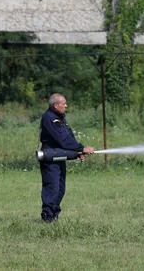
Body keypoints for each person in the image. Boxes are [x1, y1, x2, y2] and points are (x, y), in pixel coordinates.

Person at [39, 93, 94, 223]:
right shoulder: (50, 118)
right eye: (64, 104)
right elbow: (62, 139)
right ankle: (48, 217)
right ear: (56, 105)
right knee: (52, 187)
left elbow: (68, 136)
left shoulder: (60, 117)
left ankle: (54, 215)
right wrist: (81, 148)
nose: (66, 106)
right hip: (50, 158)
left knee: (60, 188)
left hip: (59, 156)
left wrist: (77, 150)